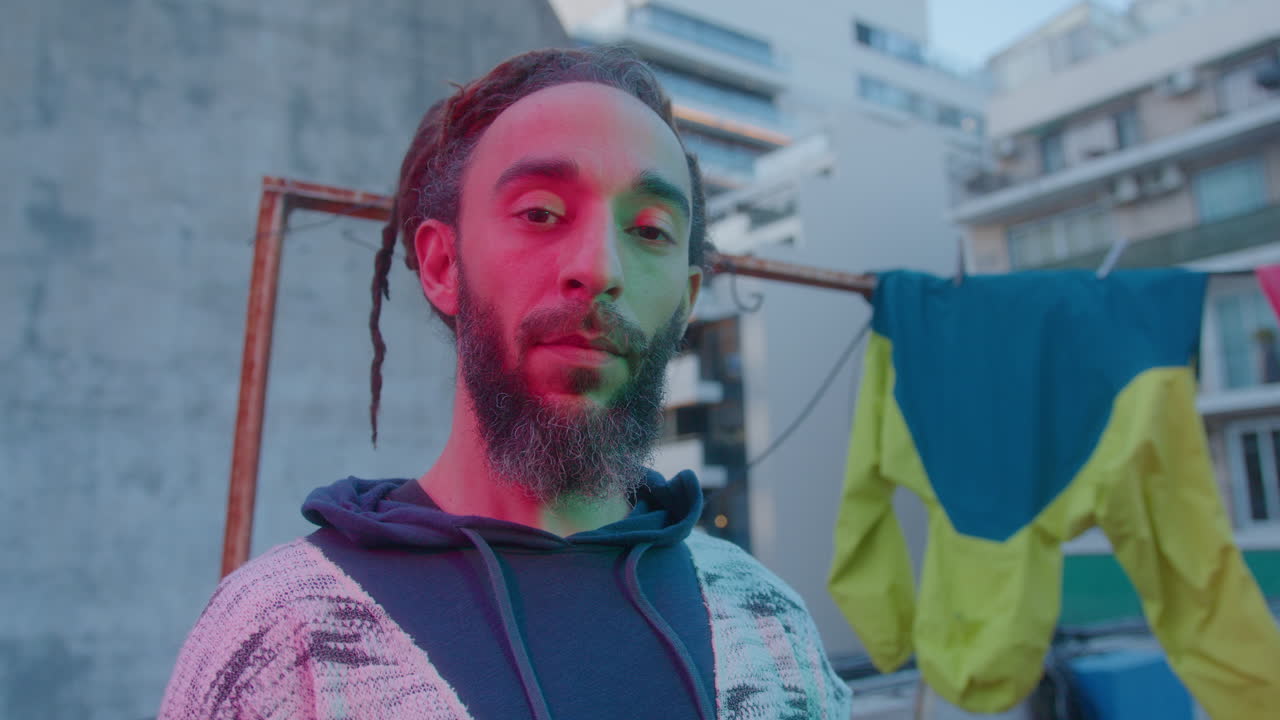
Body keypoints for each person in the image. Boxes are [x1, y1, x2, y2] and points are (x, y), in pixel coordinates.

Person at [158, 46, 851, 720]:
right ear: (440, 264)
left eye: (649, 230)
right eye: (541, 213)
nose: (599, 266)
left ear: (688, 299)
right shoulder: (277, 640)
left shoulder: (772, 629)